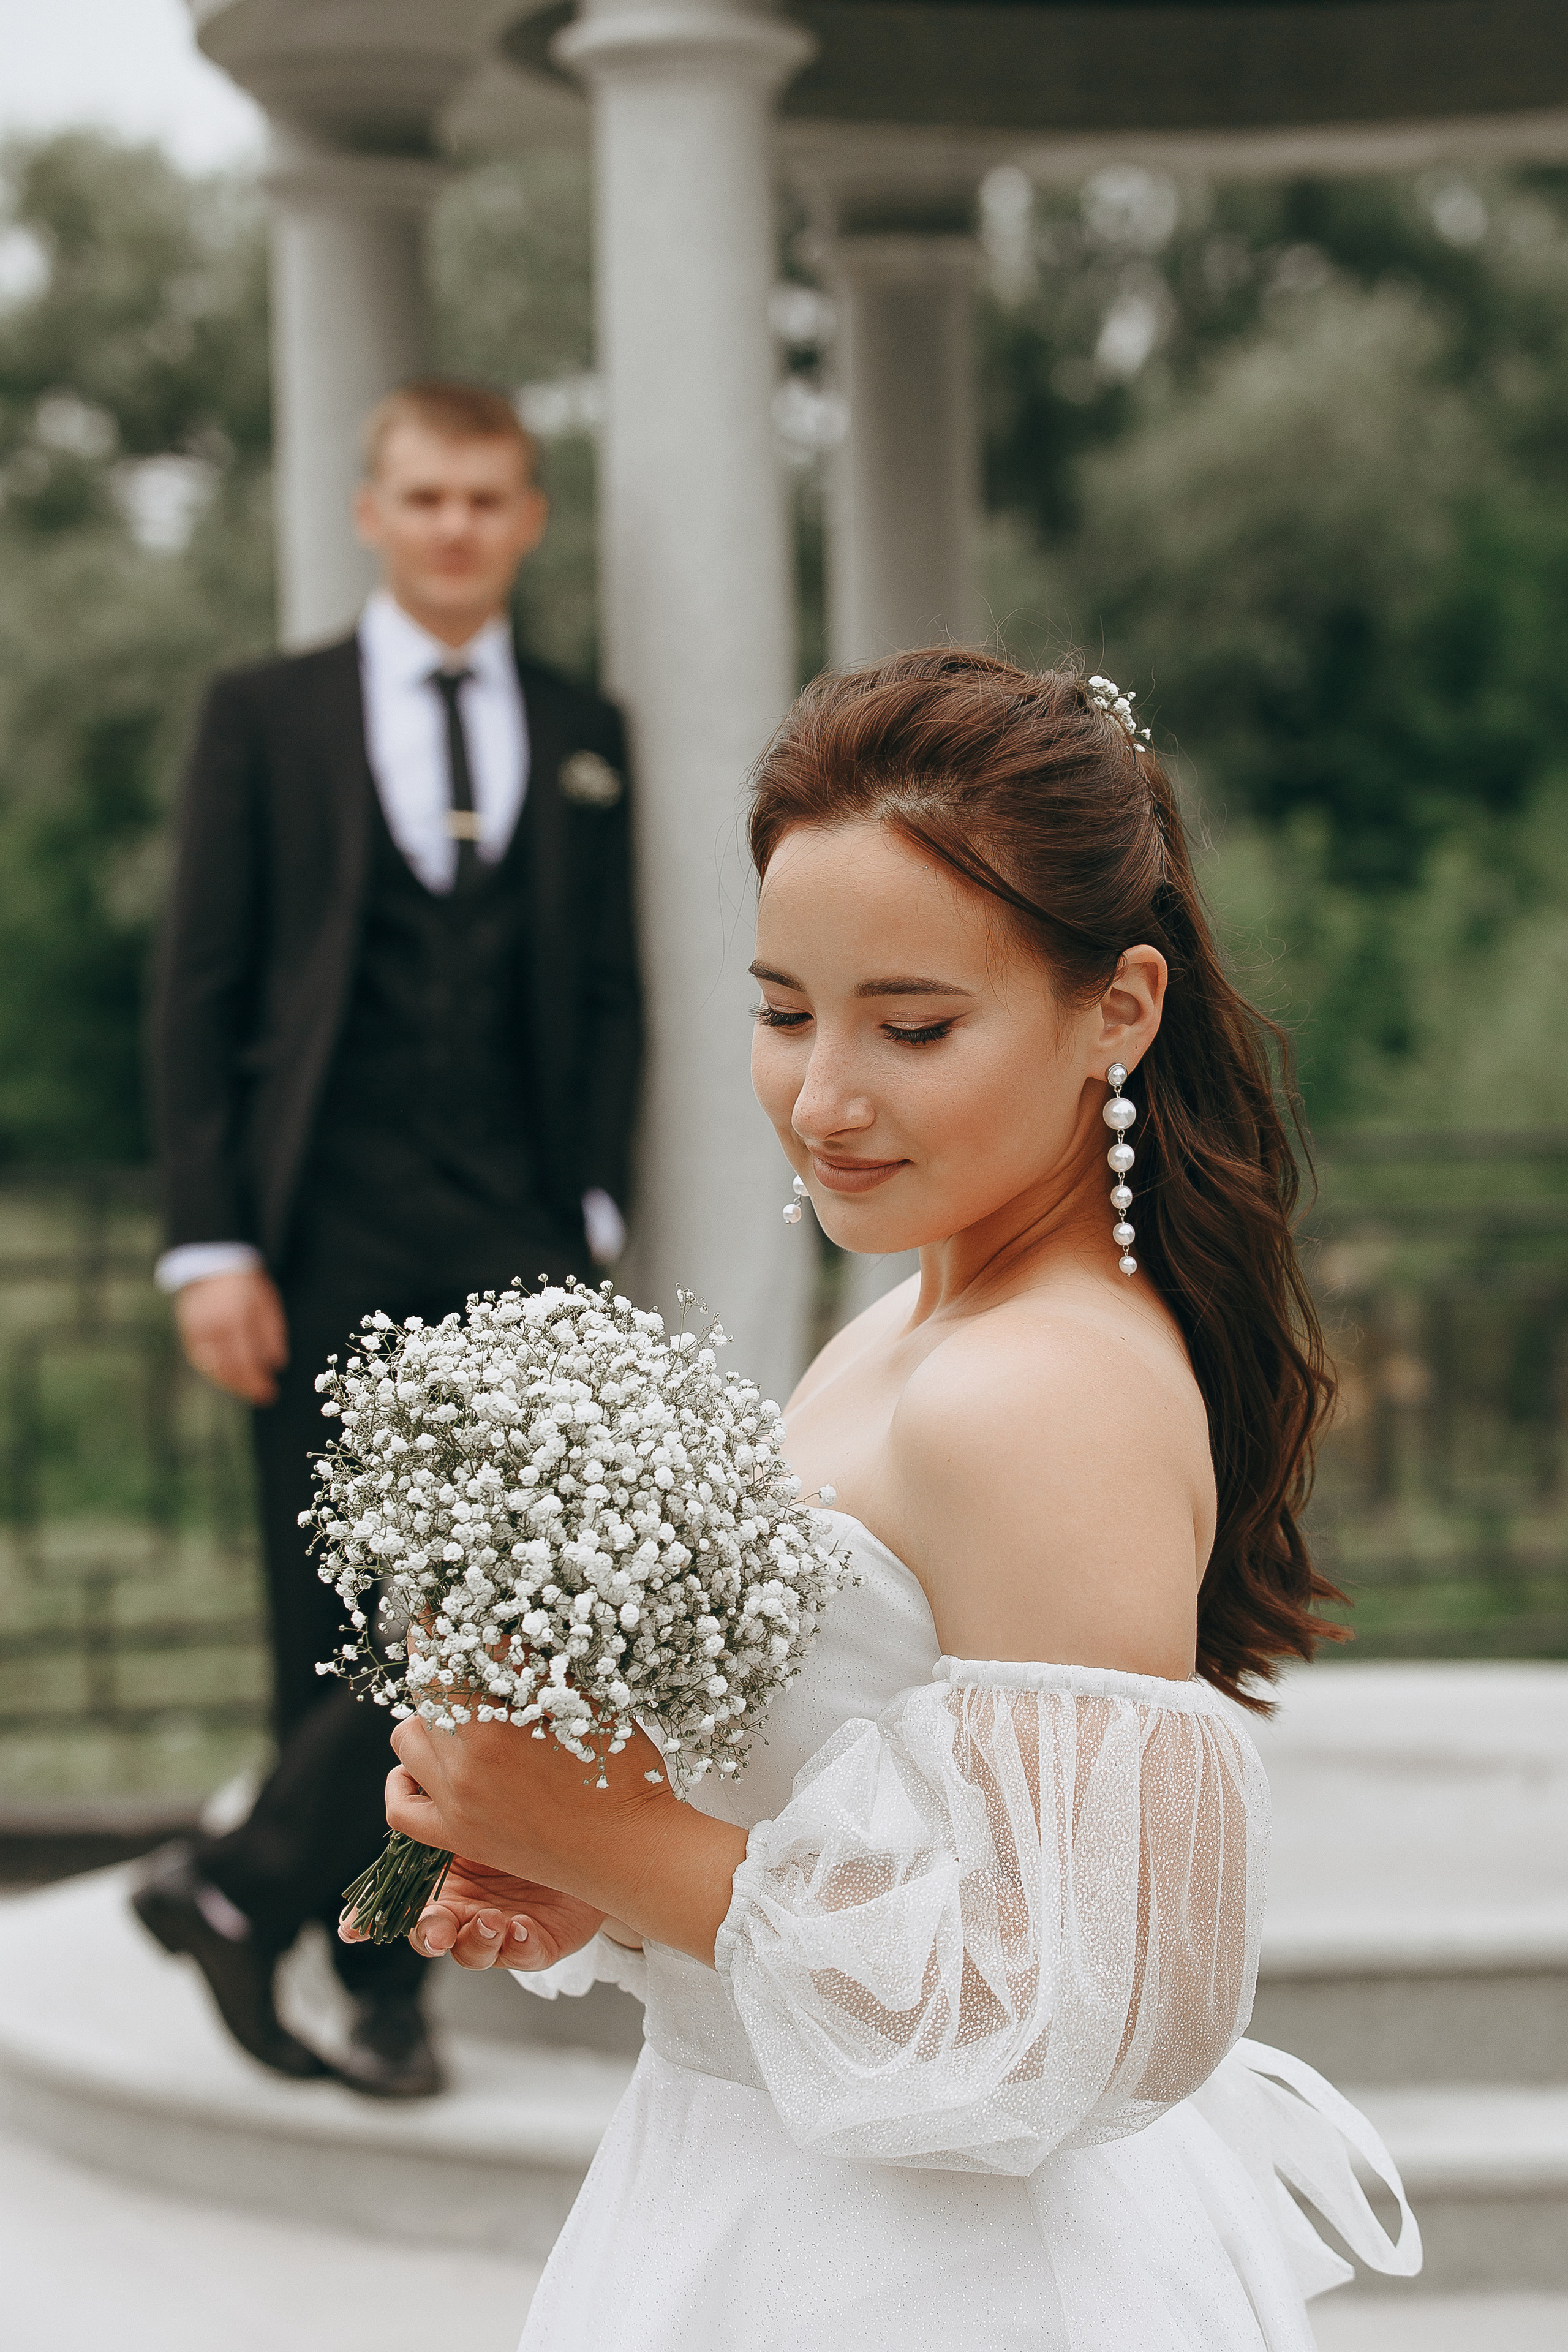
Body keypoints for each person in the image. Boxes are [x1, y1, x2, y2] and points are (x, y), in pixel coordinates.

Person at [345, 650, 1420, 2339]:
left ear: (1119, 1011)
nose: (824, 1098)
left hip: (929, 2270)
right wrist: (597, 1877)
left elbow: (1079, 2017)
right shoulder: (904, 1330)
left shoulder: (1041, 1391)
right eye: (785, 1011)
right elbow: (876, 1831)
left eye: (912, 1026)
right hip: (765, 2188)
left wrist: (613, 1834)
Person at [134, 379, 641, 2100]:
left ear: (529, 520)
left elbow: (602, 990)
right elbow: (196, 995)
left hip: (514, 1235)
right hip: (319, 1229)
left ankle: (261, 1892)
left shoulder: (587, 727)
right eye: (425, 498)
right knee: (333, 1611)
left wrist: (593, 1206)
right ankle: (375, 1979)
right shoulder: (262, 716)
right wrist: (210, 1245)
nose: (455, 528)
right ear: (371, 512)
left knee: (500, 1607)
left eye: (488, 499)